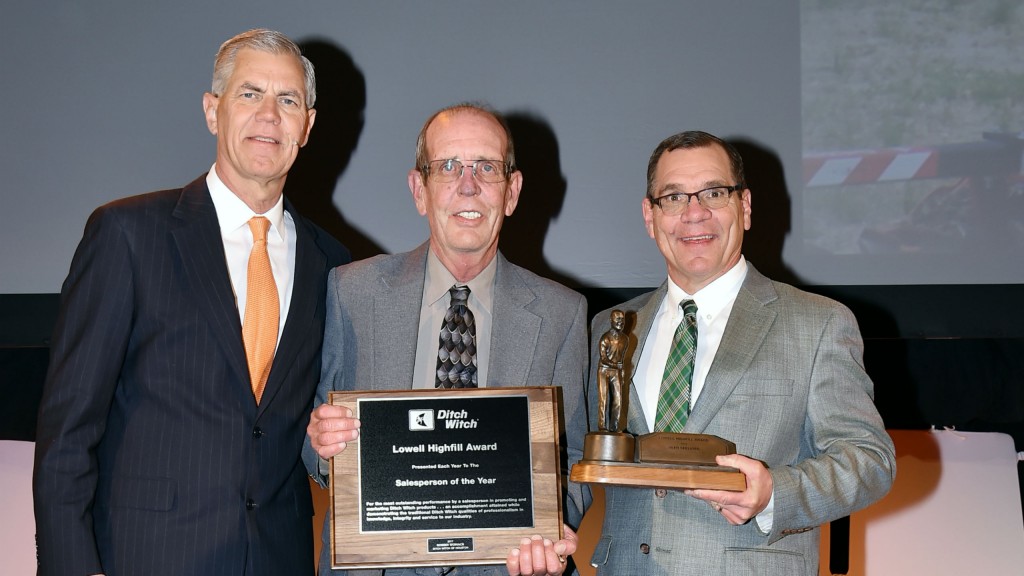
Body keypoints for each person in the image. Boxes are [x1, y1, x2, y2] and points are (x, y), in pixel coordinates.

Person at [33, 29, 350, 576]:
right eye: (250, 93)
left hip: (280, 559)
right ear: (212, 110)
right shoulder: (128, 235)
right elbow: (68, 431)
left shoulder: (333, 263)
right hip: (145, 557)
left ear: (308, 126)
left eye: (288, 100)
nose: (270, 115)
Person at [581, 130, 896, 575]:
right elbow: (580, 455)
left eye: (713, 192)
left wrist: (773, 493)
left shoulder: (818, 323)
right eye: (673, 197)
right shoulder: (610, 328)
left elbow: (870, 460)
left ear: (744, 207)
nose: (694, 213)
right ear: (650, 217)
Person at [303, 103, 589, 576]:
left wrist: (548, 530)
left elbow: (573, 460)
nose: (468, 184)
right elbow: (309, 434)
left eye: (487, 168)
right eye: (448, 167)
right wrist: (320, 442)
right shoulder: (350, 292)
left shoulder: (561, 313)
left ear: (512, 192)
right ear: (420, 189)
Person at [596, 309, 628, 432]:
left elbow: (623, 359)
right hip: (604, 371)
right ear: (611, 320)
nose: (621, 321)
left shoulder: (625, 339)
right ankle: (602, 427)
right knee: (603, 399)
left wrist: (623, 373)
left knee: (618, 400)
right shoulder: (605, 338)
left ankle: (614, 428)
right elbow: (603, 358)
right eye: (618, 319)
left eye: (622, 319)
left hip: (617, 372)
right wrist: (616, 365)